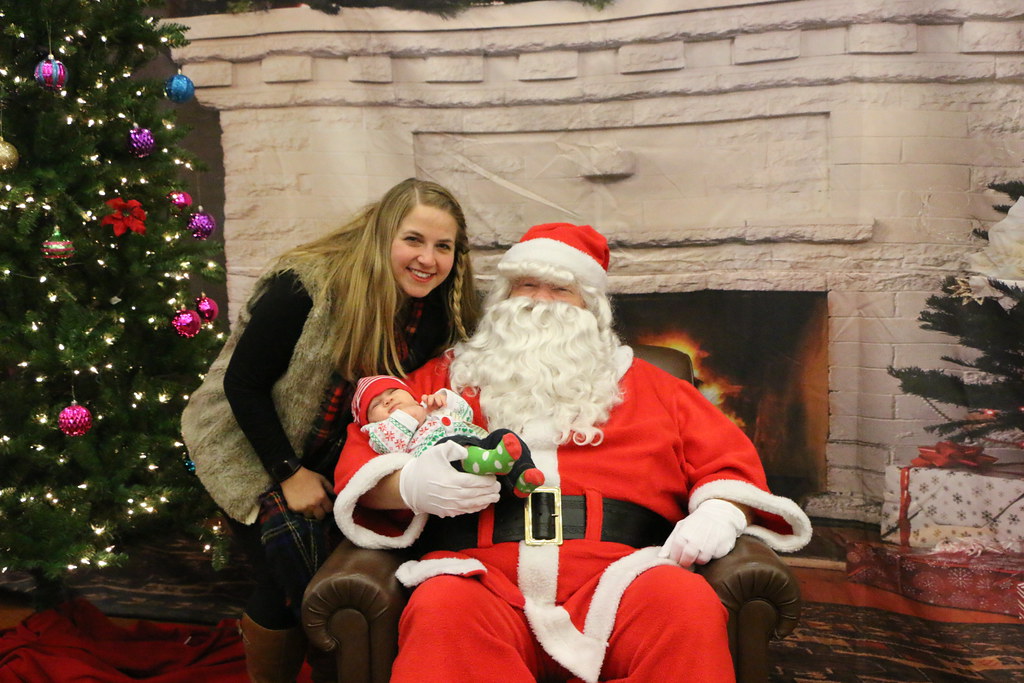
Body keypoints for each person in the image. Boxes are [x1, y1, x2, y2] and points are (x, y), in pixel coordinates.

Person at [332, 222, 813, 683]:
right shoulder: (442, 381)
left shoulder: (656, 387)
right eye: (527, 285)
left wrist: (719, 513)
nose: (541, 301)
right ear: (503, 296)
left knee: (684, 604)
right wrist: (410, 486)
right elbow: (363, 458)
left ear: (591, 306)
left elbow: (729, 463)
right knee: (441, 610)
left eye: (561, 289)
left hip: (625, 577)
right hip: (478, 582)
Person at [180, 178, 480, 682]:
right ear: (382, 235)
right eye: (413, 240)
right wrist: (289, 473)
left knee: (320, 574)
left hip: (333, 454)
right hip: (244, 439)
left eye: (443, 246)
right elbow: (244, 384)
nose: (427, 258)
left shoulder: (437, 310)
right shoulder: (305, 285)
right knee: (290, 574)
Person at [352, 374, 545, 496]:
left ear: (411, 395)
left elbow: (466, 414)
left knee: (503, 435)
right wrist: (408, 416)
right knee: (450, 444)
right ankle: (485, 461)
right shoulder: (378, 431)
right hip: (443, 462)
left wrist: (445, 401)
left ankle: (523, 475)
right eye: (376, 404)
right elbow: (390, 447)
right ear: (369, 421)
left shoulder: (429, 407)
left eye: (393, 392)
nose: (388, 400)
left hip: (480, 443)